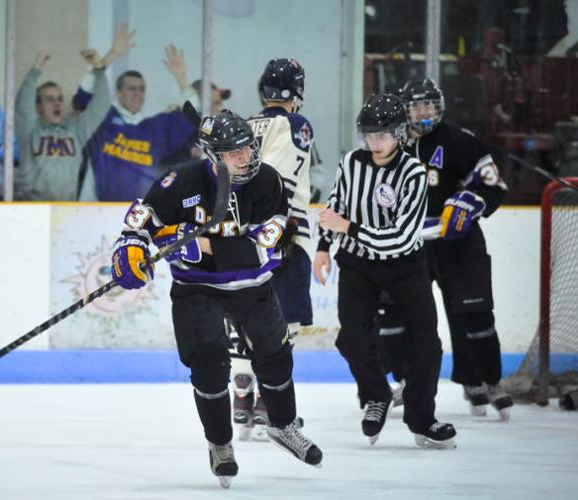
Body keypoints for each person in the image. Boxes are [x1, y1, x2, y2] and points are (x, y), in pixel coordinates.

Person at [110, 110, 323, 487]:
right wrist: (128, 248)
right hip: (196, 290)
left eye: (247, 148)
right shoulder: (180, 180)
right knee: (208, 364)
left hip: (252, 286)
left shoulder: (268, 182)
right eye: (233, 152)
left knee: (275, 356)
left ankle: (283, 425)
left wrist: (200, 249)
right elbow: (141, 220)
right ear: (211, 155)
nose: (245, 157)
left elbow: (267, 250)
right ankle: (220, 444)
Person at [313, 93, 457, 449]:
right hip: (358, 263)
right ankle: (377, 395)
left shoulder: (413, 173)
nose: (374, 142)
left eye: (381, 135)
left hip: (404, 264)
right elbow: (336, 206)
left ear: (398, 133)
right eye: (368, 135)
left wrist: (346, 227)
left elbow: (397, 238)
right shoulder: (350, 162)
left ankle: (422, 420)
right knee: (351, 338)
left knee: (427, 345)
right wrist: (322, 247)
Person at [377, 78, 513, 420]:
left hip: (459, 243)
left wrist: (471, 201)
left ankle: (484, 380)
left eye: (430, 105)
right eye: (417, 106)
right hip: (407, 245)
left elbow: (493, 186)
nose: (425, 112)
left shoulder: (461, 141)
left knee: (475, 314)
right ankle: (408, 381)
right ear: (404, 110)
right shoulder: (389, 144)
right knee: (395, 318)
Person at [229, 58, 315, 441]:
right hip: (284, 231)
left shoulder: (244, 124)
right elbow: (279, 178)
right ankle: (267, 399)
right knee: (283, 320)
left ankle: (241, 393)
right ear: (297, 91)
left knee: (245, 312)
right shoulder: (296, 124)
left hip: (239, 231)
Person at [14, 28, 131, 201]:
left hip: (66, 209)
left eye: (60, 99)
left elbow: (100, 106)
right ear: (38, 106)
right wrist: (36, 68)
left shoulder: (75, 130)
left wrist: (98, 70)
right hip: (32, 208)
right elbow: (23, 105)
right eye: (50, 99)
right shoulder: (30, 130)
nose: (57, 103)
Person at [75, 42, 197, 201]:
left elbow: (193, 115)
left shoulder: (155, 128)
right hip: (96, 211)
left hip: (140, 215)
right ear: (118, 93)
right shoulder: (103, 118)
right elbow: (80, 101)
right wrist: (104, 61)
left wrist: (181, 77)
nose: (137, 93)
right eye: (131, 88)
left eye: (141, 89)